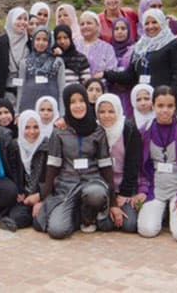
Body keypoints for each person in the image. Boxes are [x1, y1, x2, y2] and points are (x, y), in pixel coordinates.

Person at [33, 84, 113, 239]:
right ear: (66, 105)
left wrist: (114, 203)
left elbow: (106, 166)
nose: (78, 105)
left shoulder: (98, 131)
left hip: (91, 182)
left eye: (81, 101)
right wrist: (45, 200)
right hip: (66, 187)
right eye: (73, 102)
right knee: (57, 230)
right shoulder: (59, 131)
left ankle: (88, 213)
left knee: (95, 194)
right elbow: (52, 166)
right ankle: (77, 216)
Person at [134, 86, 177, 242]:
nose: (165, 110)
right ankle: (163, 213)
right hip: (155, 188)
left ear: (175, 107)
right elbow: (141, 166)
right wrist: (143, 189)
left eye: (170, 106)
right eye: (160, 106)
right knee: (146, 230)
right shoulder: (144, 131)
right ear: (153, 106)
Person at [103, 9, 177, 119]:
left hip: (163, 104)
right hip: (144, 104)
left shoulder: (174, 43)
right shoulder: (140, 47)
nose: (150, 26)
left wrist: (172, 103)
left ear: (162, 22)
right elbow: (130, 75)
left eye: (154, 22)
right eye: (147, 23)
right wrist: (106, 74)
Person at [95, 93, 141, 233]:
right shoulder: (94, 130)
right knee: (105, 225)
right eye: (102, 112)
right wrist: (111, 201)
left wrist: (124, 194)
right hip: (103, 188)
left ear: (118, 110)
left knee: (129, 225)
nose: (106, 116)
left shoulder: (129, 129)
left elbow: (133, 165)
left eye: (111, 111)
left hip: (125, 186)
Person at [0, 109, 48, 232]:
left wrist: (40, 197)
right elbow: (11, 172)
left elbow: (52, 178)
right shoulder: (15, 147)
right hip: (24, 198)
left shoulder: (47, 146)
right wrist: (19, 191)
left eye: (36, 127)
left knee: (39, 223)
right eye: (27, 127)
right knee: (17, 218)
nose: (32, 132)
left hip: (44, 195)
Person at [16, 26, 65, 113]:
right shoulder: (25, 63)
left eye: (45, 40)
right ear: (33, 41)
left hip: (50, 109)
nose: (41, 43)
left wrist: (62, 113)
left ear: (50, 41)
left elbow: (62, 89)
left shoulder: (57, 62)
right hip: (28, 107)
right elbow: (20, 89)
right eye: (38, 39)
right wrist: (17, 112)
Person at [75, 11, 117, 78]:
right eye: (82, 24)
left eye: (89, 23)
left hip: (100, 83)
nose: (85, 26)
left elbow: (112, 70)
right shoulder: (74, 46)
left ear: (97, 26)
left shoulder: (107, 48)